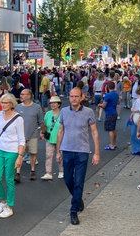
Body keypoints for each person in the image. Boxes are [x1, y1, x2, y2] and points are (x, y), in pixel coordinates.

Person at [56, 87, 100, 225]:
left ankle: (73, 210)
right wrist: (58, 151)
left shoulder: (88, 112)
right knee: (68, 179)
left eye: (76, 96)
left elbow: (94, 132)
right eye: (71, 96)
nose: (73, 99)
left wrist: (97, 153)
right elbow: (60, 131)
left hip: (82, 151)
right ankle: (78, 199)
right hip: (67, 150)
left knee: (79, 182)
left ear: (82, 97)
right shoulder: (64, 111)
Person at [0, 93, 25, 219]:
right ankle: (2, 201)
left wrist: (20, 156)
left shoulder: (18, 119)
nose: (3, 105)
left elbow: (22, 139)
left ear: (11, 104)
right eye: (2, 103)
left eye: (6, 103)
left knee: (9, 179)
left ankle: (9, 207)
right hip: (0, 149)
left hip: (12, 152)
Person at [15, 89, 43, 181]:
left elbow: (41, 121)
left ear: (29, 96)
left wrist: (42, 132)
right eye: (21, 94)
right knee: (20, 154)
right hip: (20, 136)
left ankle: (32, 170)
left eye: (23, 94)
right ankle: (17, 173)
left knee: (33, 153)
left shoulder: (37, 107)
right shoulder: (17, 107)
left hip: (32, 135)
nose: (21, 95)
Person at [41, 96, 64, 180]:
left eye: (55, 103)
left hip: (61, 139)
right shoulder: (48, 113)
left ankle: (61, 171)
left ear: (59, 104)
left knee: (60, 156)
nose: (53, 105)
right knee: (48, 156)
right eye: (51, 103)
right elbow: (44, 125)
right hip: (50, 138)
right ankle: (48, 173)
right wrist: (42, 133)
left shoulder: (63, 114)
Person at [98, 81, 120, 150]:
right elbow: (118, 102)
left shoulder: (108, 95)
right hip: (114, 112)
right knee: (113, 129)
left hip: (109, 113)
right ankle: (114, 143)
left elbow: (104, 105)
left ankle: (111, 145)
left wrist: (99, 105)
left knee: (110, 130)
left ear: (108, 87)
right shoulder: (116, 94)